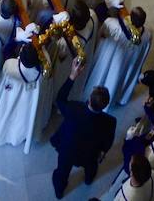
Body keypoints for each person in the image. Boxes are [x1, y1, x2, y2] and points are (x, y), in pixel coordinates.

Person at [50, 59, 117, 198]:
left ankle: (59, 190)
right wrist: (103, 151)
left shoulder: (73, 108)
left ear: (89, 99)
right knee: (91, 167)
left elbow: (60, 99)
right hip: (90, 154)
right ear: (105, 105)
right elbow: (108, 141)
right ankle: (88, 179)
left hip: (68, 150)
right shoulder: (110, 121)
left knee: (62, 171)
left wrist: (72, 76)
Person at [0, 41, 48, 153]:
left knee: (5, 114)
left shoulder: (10, 64)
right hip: (26, 102)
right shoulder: (39, 75)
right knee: (20, 119)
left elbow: (6, 55)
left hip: (8, 97)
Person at [84, 6, 153, 106]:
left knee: (103, 77)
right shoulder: (147, 35)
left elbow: (100, 37)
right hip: (127, 66)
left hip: (109, 61)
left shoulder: (113, 24)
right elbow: (143, 55)